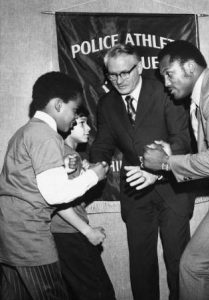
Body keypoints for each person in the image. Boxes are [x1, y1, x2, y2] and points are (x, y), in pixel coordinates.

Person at [139, 40, 209, 300]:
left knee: (194, 268)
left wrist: (167, 163)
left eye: (169, 74)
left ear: (189, 67)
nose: (166, 83)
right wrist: (172, 155)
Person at [89, 43, 195, 300]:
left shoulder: (165, 91)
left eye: (125, 72)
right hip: (135, 193)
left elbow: (181, 140)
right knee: (140, 264)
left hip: (173, 190)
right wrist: (95, 164)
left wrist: (156, 167)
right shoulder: (107, 103)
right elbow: (103, 144)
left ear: (140, 67)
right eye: (112, 75)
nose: (119, 80)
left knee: (177, 261)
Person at [0, 71, 109, 300]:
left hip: (9, 239)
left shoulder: (23, 132)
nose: (73, 118)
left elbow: (27, 183)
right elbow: (54, 195)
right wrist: (93, 176)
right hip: (31, 240)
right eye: (73, 110)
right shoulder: (47, 135)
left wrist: (66, 172)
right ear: (59, 105)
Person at [51, 110, 116, 300]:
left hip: (66, 234)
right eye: (82, 123)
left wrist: (85, 177)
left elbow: (71, 199)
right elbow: (60, 202)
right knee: (100, 293)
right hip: (69, 235)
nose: (88, 128)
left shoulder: (67, 153)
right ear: (68, 124)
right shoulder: (67, 154)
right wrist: (87, 231)